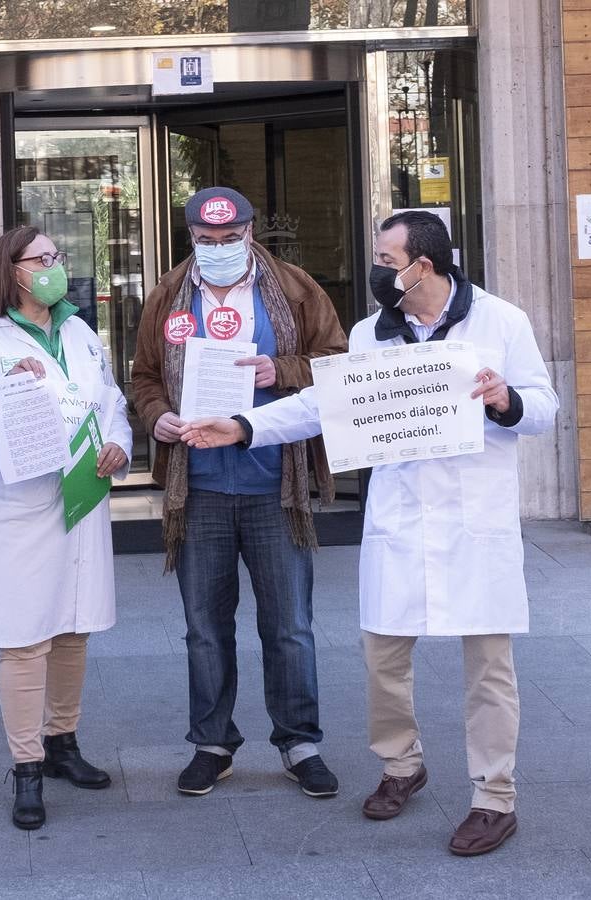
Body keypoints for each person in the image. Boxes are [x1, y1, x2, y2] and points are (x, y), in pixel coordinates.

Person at [182, 210, 558, 856]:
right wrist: (244, 426)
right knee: (384, 658)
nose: (379, 270)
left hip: (475, 523)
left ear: (425, 266)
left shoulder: (502, 322)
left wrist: (505, 402)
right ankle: (401, 765)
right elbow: (323, 408)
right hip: (401, 519)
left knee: (489, 668)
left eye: (387, 260)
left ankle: (495, 797)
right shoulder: (369, 334)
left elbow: (545, 409)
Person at [130, 186, 348, 799]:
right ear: (190, 237)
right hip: (196, 486)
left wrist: (282, 370)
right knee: (204, 625)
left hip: (275, 484)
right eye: (206, 240)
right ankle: (212, 742)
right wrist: (157, 419)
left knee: (289, 625)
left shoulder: (298, 289)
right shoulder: (167, 296)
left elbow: (338, 363)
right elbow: (144, 374)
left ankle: (300, 742)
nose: (219, 249)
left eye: (230, 239)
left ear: (251, 232)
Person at [0, 226, 133, 831]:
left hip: (81, 500)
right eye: (42, 258)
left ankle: (63, 743)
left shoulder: (79, 331)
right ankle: (26, 766)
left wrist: (120, 449)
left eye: (59, 255)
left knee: (74, 627)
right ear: (13, 269)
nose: (54, 266)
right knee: (25, 637)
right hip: (19, 509)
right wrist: (10, 389)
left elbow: (111, 402)